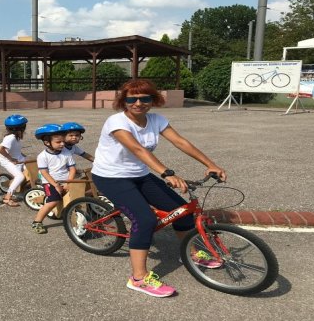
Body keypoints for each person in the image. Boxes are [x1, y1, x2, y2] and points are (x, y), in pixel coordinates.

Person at [90, 79, 226, 298]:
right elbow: (137, 149)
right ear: (123, 101)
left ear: (153, 100)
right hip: (111, 177)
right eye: (131, 99)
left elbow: (181, 142)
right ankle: (138, 278)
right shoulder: (116, 122)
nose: (138, 103)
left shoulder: (156, 120)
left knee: (182, 212)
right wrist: (166, 173)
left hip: (140, 175)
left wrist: (210, 164)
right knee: (144, 220)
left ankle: (189, 252)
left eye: (145, 98)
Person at [31, 124, 76, 234]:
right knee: (53, 201)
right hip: (50, 182)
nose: (62, 144)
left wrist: (68, 183)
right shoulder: (42, 156)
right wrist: (56, 185)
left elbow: (72, 169)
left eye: (63, 141)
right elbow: (44, 173)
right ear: (47, 142)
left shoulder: (66, 152)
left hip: (66, 180)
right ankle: (37, 222)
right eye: (58, 142)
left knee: (79, 194)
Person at [0, 114, 29, 207]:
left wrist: (21, 155)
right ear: (22, 127)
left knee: (32, 168)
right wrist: (10, 158)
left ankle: (24, 187)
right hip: (8, 161)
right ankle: (7, 197)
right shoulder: (11, 137)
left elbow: (14, 149)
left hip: (18, 158)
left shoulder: (16, 136)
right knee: (20, 177)